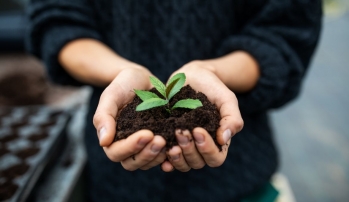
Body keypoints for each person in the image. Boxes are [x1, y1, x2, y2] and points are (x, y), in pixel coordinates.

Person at [26, 0, 322, 201]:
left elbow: (285, 32)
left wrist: (213, 71)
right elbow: (57, 19)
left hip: (240, 180)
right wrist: (121, 72)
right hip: (111, 186)